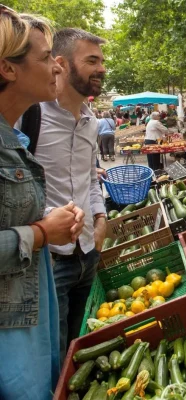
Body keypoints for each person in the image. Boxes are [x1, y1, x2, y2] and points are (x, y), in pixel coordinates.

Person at [0, 9, 85, 397]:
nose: (56, 67)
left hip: (30, 317)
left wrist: (49, 219)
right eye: (46, 57)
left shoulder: (15, 138)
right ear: (8, 68)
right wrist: (40, 233)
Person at [33, 27, 108, 362]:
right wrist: (49, 219)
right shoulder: (30, 117)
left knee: (80, 351)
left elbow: (90, 177)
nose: (102, 68)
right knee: (55, 356)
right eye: (92, 60)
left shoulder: (91, 121)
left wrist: (100, 214)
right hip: (48, 261)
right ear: (60, 64)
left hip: (88, 255)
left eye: (102, 61)